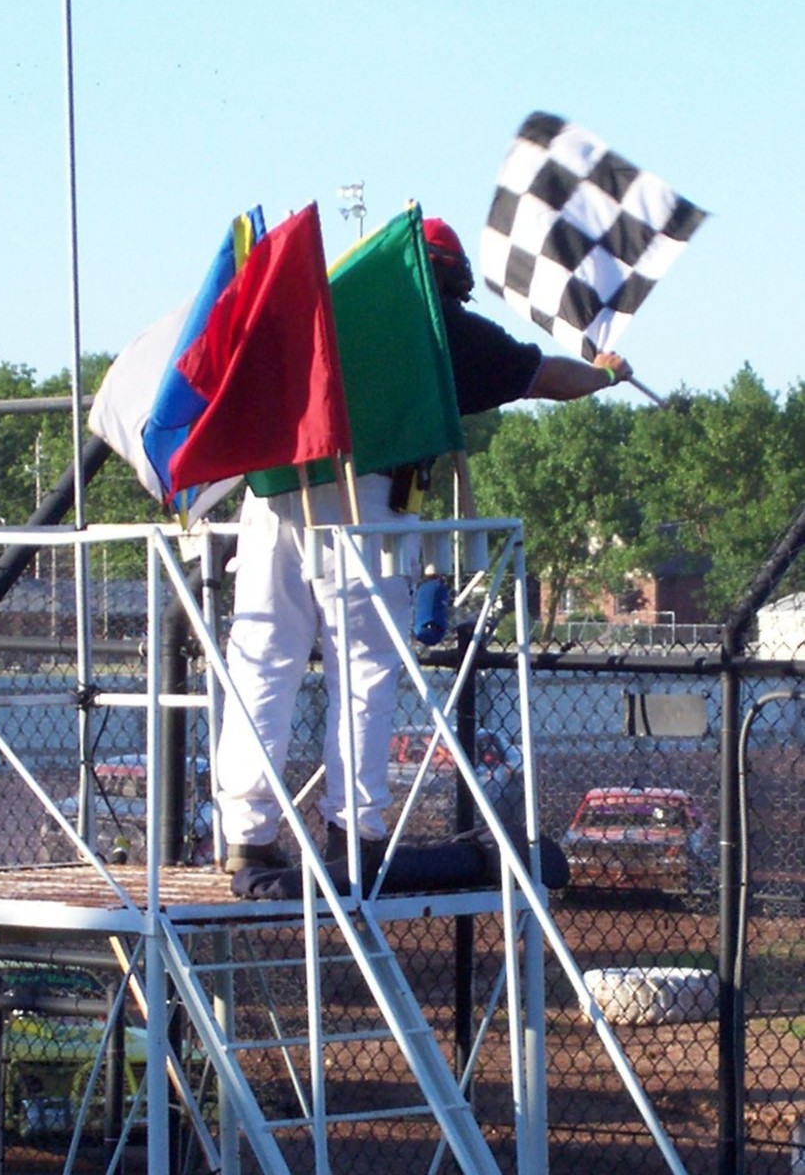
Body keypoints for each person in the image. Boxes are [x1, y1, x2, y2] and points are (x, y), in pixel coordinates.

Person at [219, 217, 634, 874]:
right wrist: (604, 375)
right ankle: (354, 831)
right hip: (364, 501)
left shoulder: (316, 315)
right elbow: (543, 377)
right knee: (362, 663)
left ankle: (245, 836)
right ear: (445, 278)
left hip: (269, 495)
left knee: (262, 656)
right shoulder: (434, 327)